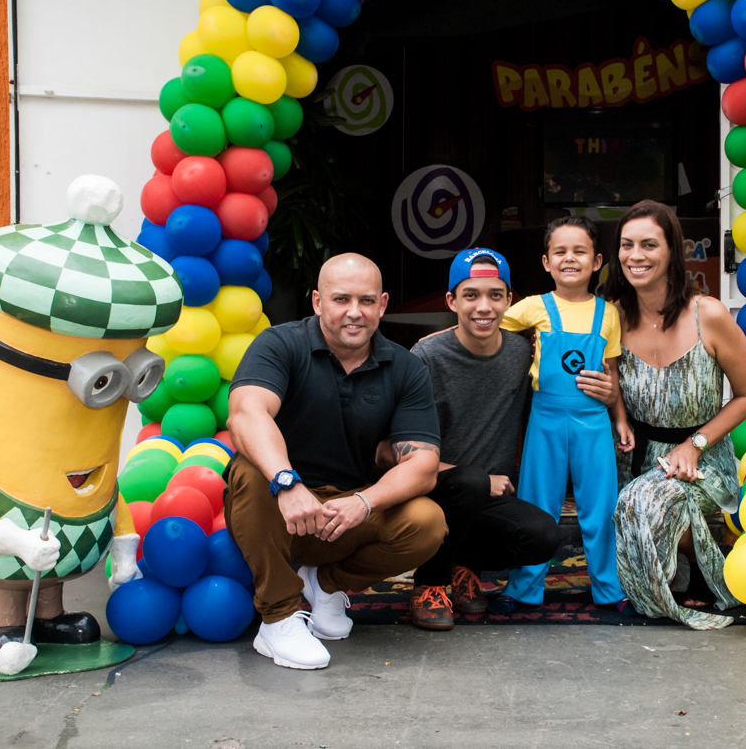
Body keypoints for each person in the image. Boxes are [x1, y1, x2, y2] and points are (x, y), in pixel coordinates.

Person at [225, 254, 447, 670]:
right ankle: (278, 617)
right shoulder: (280, 343)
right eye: (341, 299)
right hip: (273, 509)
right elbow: (246, 415)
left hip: (342, 514)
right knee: (252, 469)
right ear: (317, 301)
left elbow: (423, 464)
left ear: (382, 304)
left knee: (426, 521)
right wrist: (287, 482)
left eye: (366, 301)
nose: (354, 312)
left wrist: (364, 502)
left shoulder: (405, 367)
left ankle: (325, 585)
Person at [583, 201, 746, 629]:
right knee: (612, 501)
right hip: (634, 456)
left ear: (672, 252)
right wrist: (608, 397)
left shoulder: (709, 314)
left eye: (649, 244)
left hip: (702, 458)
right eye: (627, 245)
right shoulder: (611, 316)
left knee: (640, 503)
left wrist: (694, 444)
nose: (635, 255)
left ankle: (695, 572)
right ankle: (676, 568)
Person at [383, 248, 561, 629]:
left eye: (495, 295)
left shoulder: (522, 353)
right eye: (471, 295)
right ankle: (430, 585)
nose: (484, 306)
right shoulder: (427, 356)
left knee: (544, 536)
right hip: (435, 489)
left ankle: (464, 567)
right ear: (451, 301)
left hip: (488, 497)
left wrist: (607, 391)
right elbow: (388, 451)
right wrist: (478, 478)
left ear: (509, 300)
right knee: (471, 481)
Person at [494, 217, 633, 613]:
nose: (569, 258)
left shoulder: (609, 314)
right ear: (546, 262)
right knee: (537, 503)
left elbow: (612, 372)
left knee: (601, 508)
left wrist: (620, 418)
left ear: (597, 262)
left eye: (579, 251)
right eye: (560, 252)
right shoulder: (533, 307)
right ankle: (523, 588)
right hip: (546, 419)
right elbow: (485, 328)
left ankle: (610, 589)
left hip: (595, 421)